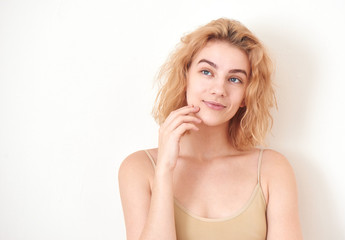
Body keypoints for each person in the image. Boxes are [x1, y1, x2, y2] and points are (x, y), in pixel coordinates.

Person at [118, 18, 302, 240]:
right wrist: (164, 170)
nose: (218, 89)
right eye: (207, 72)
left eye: (234, 79)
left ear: (246, 96)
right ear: (186, 77)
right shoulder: (139, 168)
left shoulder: (272, 169)